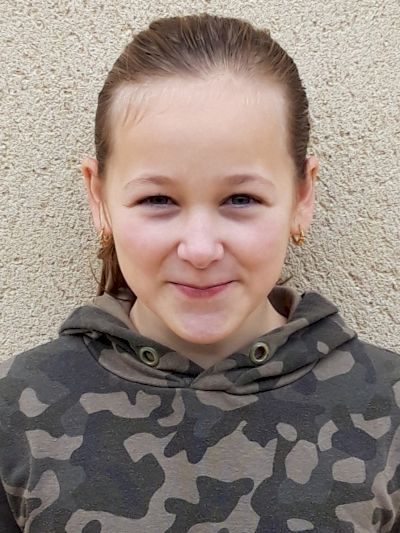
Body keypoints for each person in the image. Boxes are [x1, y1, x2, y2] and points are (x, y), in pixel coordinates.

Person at [1, 13, 400, 533]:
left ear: (302, 196)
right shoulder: (15, 411)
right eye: (158, 199)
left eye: (241, 198)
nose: (200, 249)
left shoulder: (389, 406)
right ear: (98, 199)